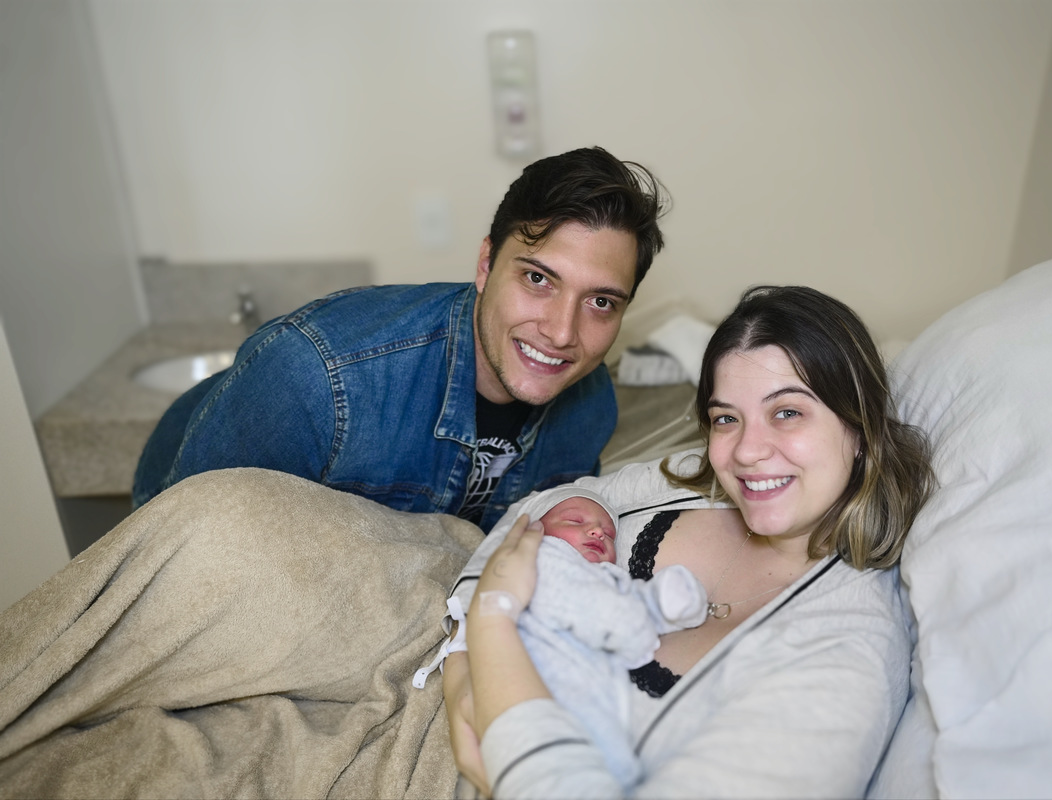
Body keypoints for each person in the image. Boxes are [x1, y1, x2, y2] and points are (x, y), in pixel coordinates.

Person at [442, 285, 935, 797]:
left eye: (787, 412)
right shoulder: (693, 482)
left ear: (858, 428)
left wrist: (492, 624)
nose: (746, 452)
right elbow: (547, 504)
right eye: (727, 419)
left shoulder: (845, 658)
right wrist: (460, 668)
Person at [131, 146, 669, 530]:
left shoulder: (591, 406)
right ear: (486, 264)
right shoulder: (317, 374)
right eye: (537, 279)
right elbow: (182, 549)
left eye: (601, 302)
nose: (561, 332)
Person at [419, 486, 707, 791]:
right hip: (534, 688)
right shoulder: (544, 557)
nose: (598, 531)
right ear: (534, 531)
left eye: (610, 534)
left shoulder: (606, 578)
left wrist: (664, 602)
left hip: (589, 701)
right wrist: (634, 625)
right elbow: (595, 611)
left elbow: (625, 601)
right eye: (574, 521)